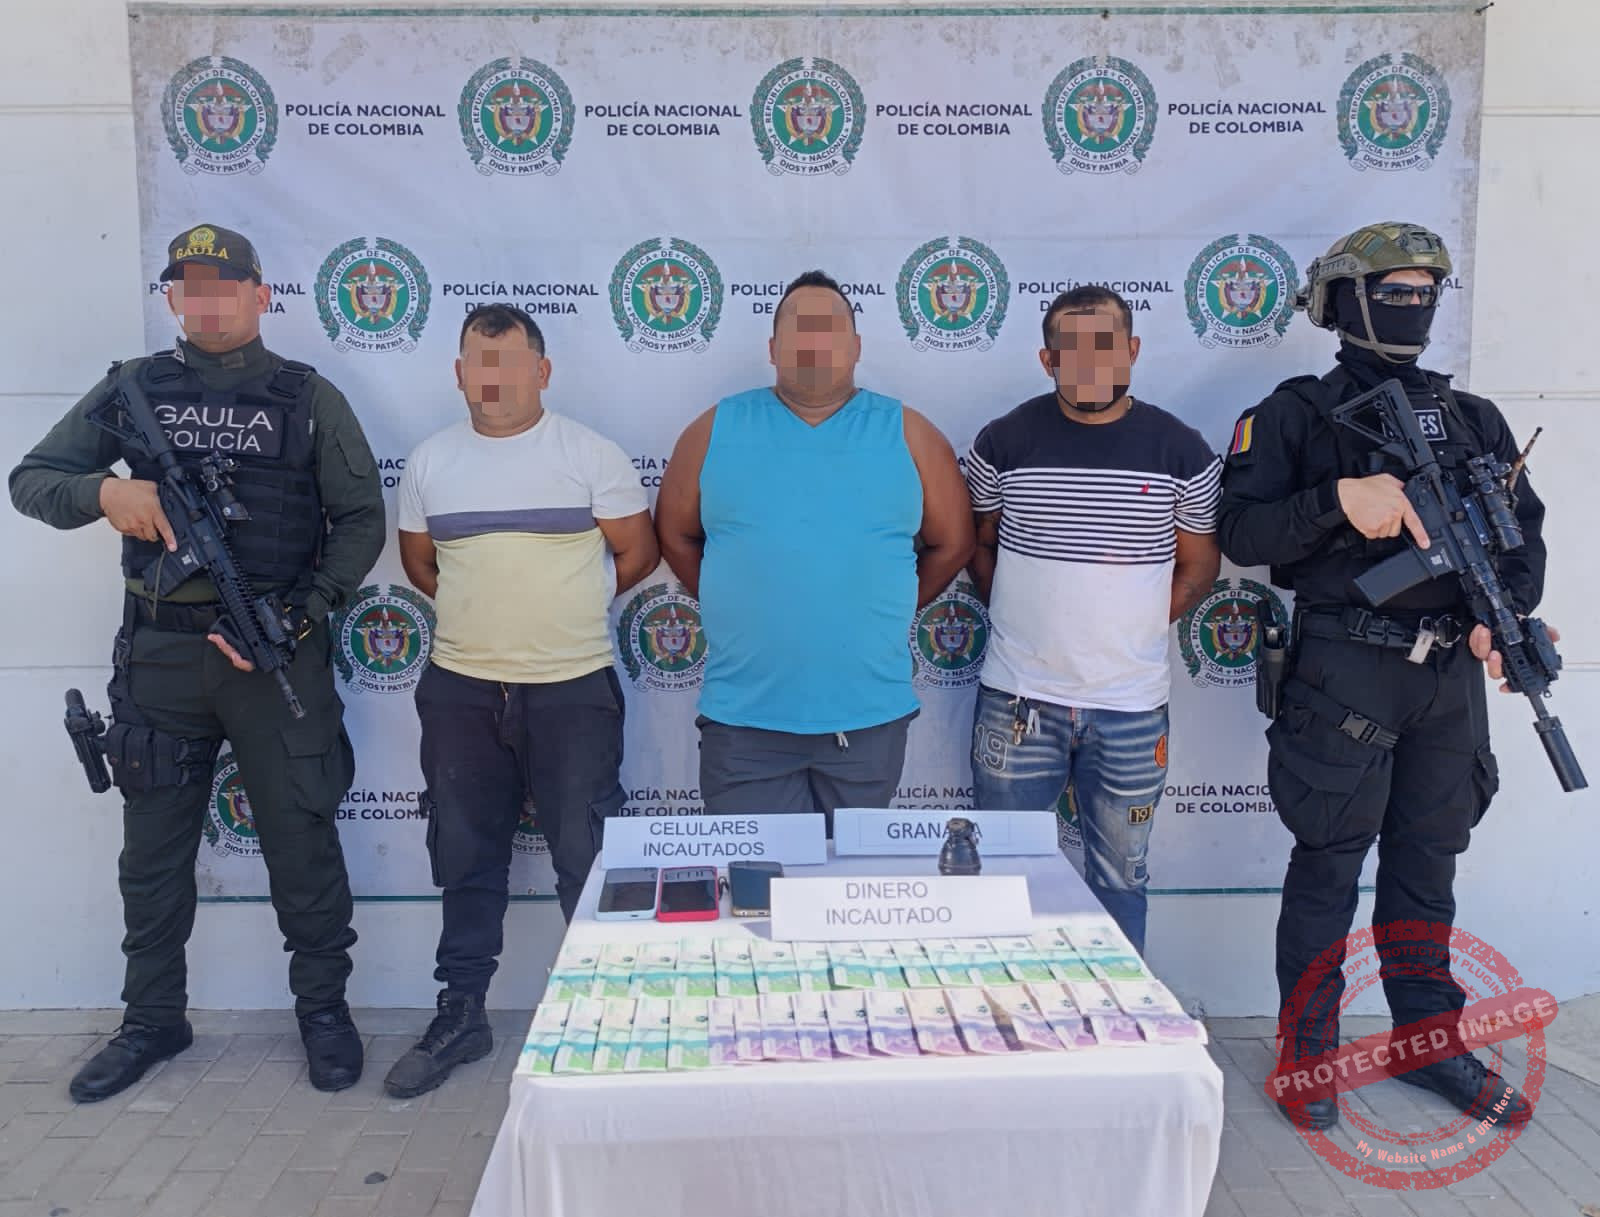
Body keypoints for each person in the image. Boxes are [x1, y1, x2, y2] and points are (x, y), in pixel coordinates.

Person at [9, 223, 384, 1101]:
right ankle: (152, 1019)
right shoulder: (135, 389)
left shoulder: (308, 397)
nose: (209, 301)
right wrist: (105, 490)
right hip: (162, 658)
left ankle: (323, 1011)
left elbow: (362, 518)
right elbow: (32, 480)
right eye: (191, 286)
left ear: (260, 294)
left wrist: (303, 612)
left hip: (273, 657)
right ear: (174, 299)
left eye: (226, 284)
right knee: (152, 853)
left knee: (302, 839)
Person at [1217, 222, 1547, 1131]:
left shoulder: (1474, 417)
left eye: (1426, 291)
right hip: (1347, 670)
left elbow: (1522, 534)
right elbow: (1240, 532)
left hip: (1450, 674)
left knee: (1428, 864)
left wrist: (1505, 615)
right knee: (1328, 864)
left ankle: (1429, 1041)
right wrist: (1337, 501)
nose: (1415, 306)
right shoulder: (1295, 412)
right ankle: (1307, 1053)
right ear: (1345, 301)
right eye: (1395, 291)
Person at [387, 303, 656, 1098]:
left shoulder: (590, 455)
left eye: (509, 362)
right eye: (480, 362)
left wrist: (559, 615)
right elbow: (421, 566)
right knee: (466, 855)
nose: (493, 378)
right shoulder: (430, 462)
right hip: (461, 690)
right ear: (458, 373)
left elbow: (636, 554)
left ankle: (607, 1017)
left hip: (573, 688)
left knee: (585, 857)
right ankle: (462, 1014)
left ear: (541, 371)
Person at [655, 270, 974, 823]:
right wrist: (740, 600)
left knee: (852, 877)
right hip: (745, 720)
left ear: (856, 346)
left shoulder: (910, 434)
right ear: (773, 348)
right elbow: (676, 534)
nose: (814, 342)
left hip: (867, 719)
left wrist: (885, 604)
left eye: (829, 329)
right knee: (755, 878)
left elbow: (953, 544)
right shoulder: (715, 429)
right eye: (800, 329)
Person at [964, 285, 1221, 956]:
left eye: (1104, 346)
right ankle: (1007, 1009)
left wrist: (1131, 624)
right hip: (1019, 703)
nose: (1089, 362)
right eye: (1071, 349)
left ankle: (1119, 1014)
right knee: (1004, 879)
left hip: (1130, 710)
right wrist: (1024, 617)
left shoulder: (1181, 452)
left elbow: (1198, 568)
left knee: (1120, 880)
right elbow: (979, 545)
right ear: (1047, 359)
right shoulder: (1003, 441)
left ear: (1131, 350)